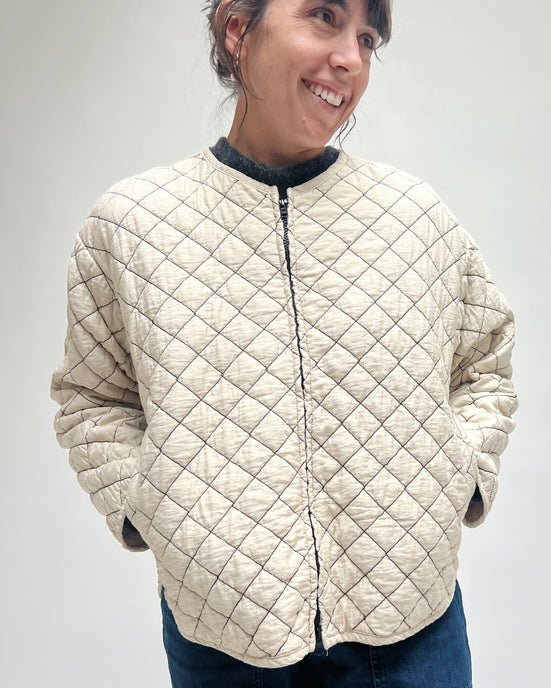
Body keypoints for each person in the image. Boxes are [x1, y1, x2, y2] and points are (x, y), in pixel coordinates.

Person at [51, 1, 518, 685]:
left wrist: (460, 477)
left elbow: (484, 363)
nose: (351, 57)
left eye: (368, 38)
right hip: (225, 638)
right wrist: (152, 509)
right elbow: (92, 399)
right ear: (238, 29)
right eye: (324, 16)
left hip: (414, 628)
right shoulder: (131, 225)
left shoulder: (415, 216)